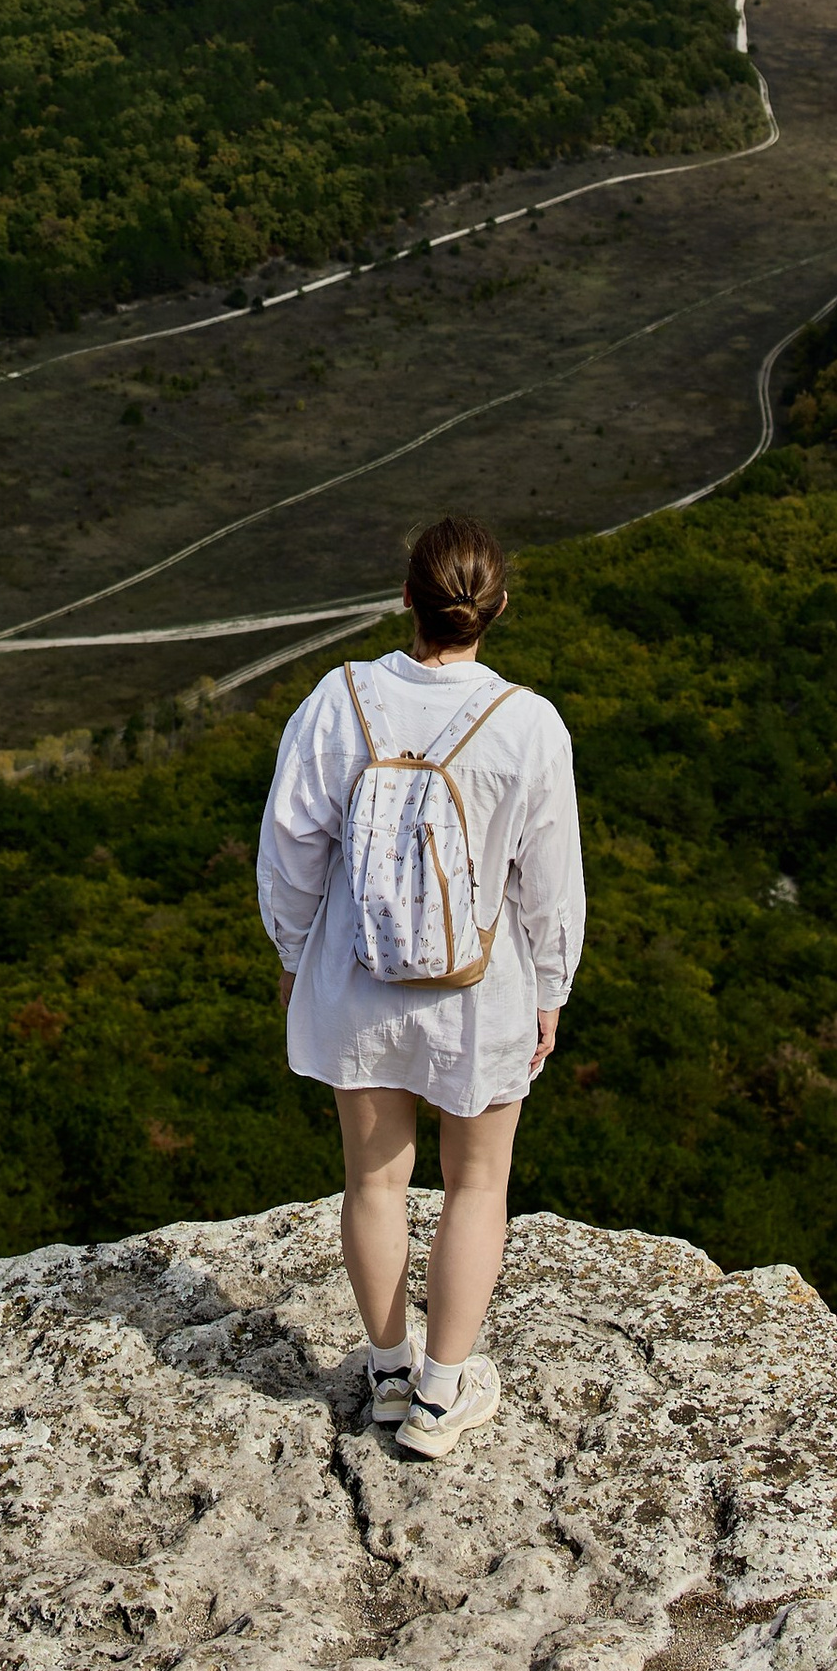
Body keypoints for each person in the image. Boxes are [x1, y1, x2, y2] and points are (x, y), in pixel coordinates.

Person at [254, 512, 584, 1460]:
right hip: (479, 996)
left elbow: (289, 852)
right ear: (497, 608)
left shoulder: (338, 700)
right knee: (477, 1183)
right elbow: (549, 888)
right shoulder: (527, 724)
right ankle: (444, 1395)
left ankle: (389, 1373)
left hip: (357, 986)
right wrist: (551, 989)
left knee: (374, 1181)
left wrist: (292, 955)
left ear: (406, 598)